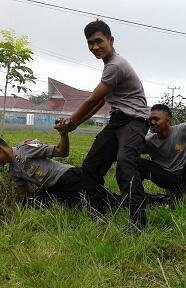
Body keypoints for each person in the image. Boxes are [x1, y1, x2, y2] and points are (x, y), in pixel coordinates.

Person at [55, 20, 149, 230]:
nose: (95, 47)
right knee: (90, 166)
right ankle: (100, 208)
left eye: (99, 41)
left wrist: (70, 121)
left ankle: (138, 223)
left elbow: (90, 100)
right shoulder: (109, 66)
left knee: (126, 163)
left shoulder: (115, 65)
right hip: (118, 120)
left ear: (111, 40)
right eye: (90, 43)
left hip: (135, 121)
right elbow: (99, 102)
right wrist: (75, 125)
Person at [0, 129, 119, 210]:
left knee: (101, 203)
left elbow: (61, 151)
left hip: (68, 177)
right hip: (53, 188)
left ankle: (126, 201)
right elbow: (24, 192)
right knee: (28, 202)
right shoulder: (12, 172)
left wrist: (64, 133)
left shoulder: (25, 148)